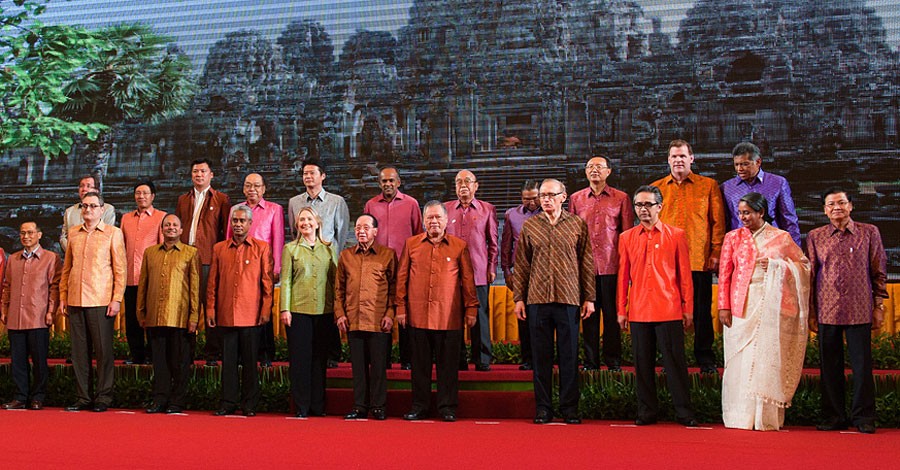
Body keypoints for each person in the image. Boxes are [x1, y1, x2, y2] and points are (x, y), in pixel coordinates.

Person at [718, 192, 810, 431]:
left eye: (747, 213)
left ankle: (764, 417)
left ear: (761, 212)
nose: (742, 217)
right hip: (740, 305)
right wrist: (723, 306)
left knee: (764, 359)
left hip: (771, 305)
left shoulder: (781, 238)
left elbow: (804, 265)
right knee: (740, 359)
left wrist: (777, 266)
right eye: (740, 213)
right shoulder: (733, 238)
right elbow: (725, 274)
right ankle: (740, 415)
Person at [513, 179, 595, 424]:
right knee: (541, 357)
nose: (545, 199)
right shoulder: (531, 227)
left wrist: (589, 297)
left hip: (569, 298)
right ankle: (543, 408)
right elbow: (522, 266)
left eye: (551, 195)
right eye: (542, 196)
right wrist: (519, 298)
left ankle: (569, 408)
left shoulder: (577, 225)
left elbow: (587, 263)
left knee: (569, 355)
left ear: (563, 196)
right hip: (537, 299)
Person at [807, 188, 888, 434]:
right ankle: (834, 416)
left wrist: (879, 305)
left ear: (851, 206)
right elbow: (810, 275)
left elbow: (878, 269)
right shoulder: (815, 236)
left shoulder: (869, 232)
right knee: (829, 365)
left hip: (860, 308)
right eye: (831, 204)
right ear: (824, 210)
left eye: (841, 203)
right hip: (826, 309)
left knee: (862, 365)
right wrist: (811, 312)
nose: (836, 208)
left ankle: (863, 417)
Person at [617, 185, 697, 427]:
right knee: (642, 366)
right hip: (639, 311)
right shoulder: (626, 237)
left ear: (660, 207)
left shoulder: (677, 235)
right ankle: (647, 412)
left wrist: (688, 309)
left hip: (669, 310)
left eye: (648, 205)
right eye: (639, 205)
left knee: (675, 365)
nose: (643, 210)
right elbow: (623, 277)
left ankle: (684, 412)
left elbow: (685, 276)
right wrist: (621, 310)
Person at [396, 201, 478, 422]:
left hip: (448, 318)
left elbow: (468, 281)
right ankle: (419, 406)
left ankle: (447, 407)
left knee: (448, 367)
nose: (433, 222)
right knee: (419, 367)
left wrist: (471, 309)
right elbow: (401, 278)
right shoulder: (411, 244)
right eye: (430, 218)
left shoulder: (459, 246)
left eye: (438, 218)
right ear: (423, 220)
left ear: (446, 220)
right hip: (417, 315)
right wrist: (400, 307)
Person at [650, 139, 725, 374]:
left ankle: (705, 359)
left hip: (698, 261)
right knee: (668, 315)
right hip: (665, 264)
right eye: (674, 156)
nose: (678, 160)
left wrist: (715, 253)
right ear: (668, 160)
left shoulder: (708, 186)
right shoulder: (656, 188)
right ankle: (671, 360)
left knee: (702, 312)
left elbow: (717, 223)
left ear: (691, 159)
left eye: (682, 156)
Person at [60, 192, 127, 412]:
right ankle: (82, 397)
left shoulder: (112, 233)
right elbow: (66, 268)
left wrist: (116, 299)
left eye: (93, 206)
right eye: (84, 206)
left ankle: (104, 397)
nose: (88, 209)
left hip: (100, 299)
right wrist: (63, 296)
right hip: (75, 299)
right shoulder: (73, 234)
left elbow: (120, 270)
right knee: (79, 354)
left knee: (103, 352)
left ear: (102, 209)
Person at [207, 205, 274, 417]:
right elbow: (212, 283)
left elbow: (267, 283)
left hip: (252, 314)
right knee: (228, 363)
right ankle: (228, 402)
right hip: (225, 314)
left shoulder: (261, 248)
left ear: (250, 224)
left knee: (249, 363)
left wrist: (266, 309)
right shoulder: (219, 248)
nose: (237, 224)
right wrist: (210, 310)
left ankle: (250, 404)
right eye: (234, 221)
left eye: (242, 221)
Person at [568, 155, 634, 371]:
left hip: (612, 267)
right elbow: (572, 235)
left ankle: (613, 361)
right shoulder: (576, 199)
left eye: (599, 167)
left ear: (608, 172)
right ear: (585, 172)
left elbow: (626, 235)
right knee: (588, 317)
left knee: (613, 316)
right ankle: (591, 362)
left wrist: (628, 267)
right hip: (584, 268)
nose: (594, 170)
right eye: (590, 167)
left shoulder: (621, 198)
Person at [288, 158, 350, 368]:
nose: (308, 177)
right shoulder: (295, 202)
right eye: (305, 173)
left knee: (329, 306)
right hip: (304, 258)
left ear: (322, 176)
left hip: (328, 259)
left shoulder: (336, 201)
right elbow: (293, 231)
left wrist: (333, 257)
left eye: (312, 173)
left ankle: (332, 354)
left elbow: (341, 235)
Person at [335, 214, 397, 420]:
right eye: (358, 227)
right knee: (358, 368)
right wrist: (340, 314)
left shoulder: (387, 255)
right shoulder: (346, 256)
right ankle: (360, 405)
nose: (361, 231)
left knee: (379, 368)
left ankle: (378, 406)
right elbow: (339, 290)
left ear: (375, 231)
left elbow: (394, 289)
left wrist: (390, 313)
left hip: (379, 321)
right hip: (353, 320)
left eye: (366, 227)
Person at [137, 214, 201, 414]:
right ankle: (159, 400)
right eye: (167, 225)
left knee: (179, 362)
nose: (171, 228)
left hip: (180, 317)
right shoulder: (150, 253)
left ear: (181, 230)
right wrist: (141, 313)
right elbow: (143, 286)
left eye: (175, 225)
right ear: (162, 229)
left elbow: (195, 288)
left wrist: (194, 317)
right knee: (160, 363)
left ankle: (177, 402)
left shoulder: (190, 253)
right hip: (155, 316)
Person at [280, 206, 338, 418]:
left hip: (324, 311)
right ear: (297, 225)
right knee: (300, 360)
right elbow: (285, 280)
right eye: (301, 220)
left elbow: (335, 282)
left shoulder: (329, 248)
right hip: (298, 311)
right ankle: (302, 406)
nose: (305, 223)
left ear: (317, 222)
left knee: (319, 360)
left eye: (309, 219)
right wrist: (285, 308)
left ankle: (318, 406)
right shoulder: (290, 249)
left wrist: (337, 310)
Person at [364, 166, 422, 370]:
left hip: (406, 267)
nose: (387, 184)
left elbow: (418, 235)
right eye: (384, 181)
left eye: (391, 181)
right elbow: (366, 236)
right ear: (379, 183)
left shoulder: (412, 204)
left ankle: (407, 359)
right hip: (377, 269)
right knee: (381, 313)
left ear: (398, 182)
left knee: (405, 313)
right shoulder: (371, 205)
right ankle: (383, 360)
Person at [174, 158, 231, 366]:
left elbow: (225, 233)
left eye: (203, 171)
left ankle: (212, 354)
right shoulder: (183, 199)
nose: (199, 175)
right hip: (185, 259)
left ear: (211, 175)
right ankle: (185, 354)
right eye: (195, 171)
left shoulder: (221, 199)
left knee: (210, 306)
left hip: (208, 260)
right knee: (186, 306)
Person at [226, 173, 284, 368]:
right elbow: (228, 239)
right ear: (243, 188)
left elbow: (278, 240)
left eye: (257, 186)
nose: (252, 189)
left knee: (264, 310)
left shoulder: (274, 210)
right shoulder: (236, 210)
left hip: (263, 268)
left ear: (264, 189)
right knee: (242, 312)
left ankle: (266, 354)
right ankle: (243, 355)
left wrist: (276, 268)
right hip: (238, 269)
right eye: (248, 185)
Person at [1, 223, 59, 410]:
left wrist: (51, 311)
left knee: (39, 360)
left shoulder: (50, 258)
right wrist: (4, 309)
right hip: (15, 316)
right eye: (23, 233)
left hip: (38, 317)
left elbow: (54, 287)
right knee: (17, 361)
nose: (26, 236)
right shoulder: (13, 259)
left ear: (39, 235)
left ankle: (38, 396)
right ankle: (20, 396)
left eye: (30, 233)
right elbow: (7, 286)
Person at [444, 170, 498, 371]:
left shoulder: (487, 209)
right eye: (459, 182)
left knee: (480, 316)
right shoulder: (446, 209)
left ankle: (482, 360)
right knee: (454, 318)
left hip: (479, 271)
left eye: (468, 181)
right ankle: (458, 360)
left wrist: (492, 267)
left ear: (476, 185)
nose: (463, 185)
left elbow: (493, 243)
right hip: (450, 274)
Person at [120, 180, 165, 365]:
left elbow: (164, 249)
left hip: (151, 278)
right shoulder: (126, 218)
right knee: (132, 320)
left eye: (145, 193)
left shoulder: (161, 217)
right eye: (138, 193)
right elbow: (120, 247)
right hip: (130, 277)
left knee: (152, 319)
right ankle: (136, 355)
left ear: (152, 196)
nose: (141, 196)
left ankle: (153, 355)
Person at [721, 142, 801, 246]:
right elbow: (723, 223)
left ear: (758, 162)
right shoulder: (726, 188)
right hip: (739, 247)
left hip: (773, 246)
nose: (739, 169)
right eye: (736, 164)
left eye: (745, 164)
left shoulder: (778, 183)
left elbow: (789, 220)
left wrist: (795, 251)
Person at [500, 180, 541, 370]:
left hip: (544, 273)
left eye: (534, 198)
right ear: (521, 198)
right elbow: (506, 246)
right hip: (520, 273)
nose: (531, 203)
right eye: (527, 199)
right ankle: (528, 359)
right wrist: (507, 271)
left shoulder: (549, 213)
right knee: (523, 317)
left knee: (541, 318)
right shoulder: (512, 215)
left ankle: (543, 358)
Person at [60, 175, 116, 253]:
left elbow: (108, 235)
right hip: (74, 257)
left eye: (88, 186)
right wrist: (73, 252)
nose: (84, 189)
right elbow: (64, 237)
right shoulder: (70, 211)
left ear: (97, 190)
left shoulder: (107, 209)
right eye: (81, 186)